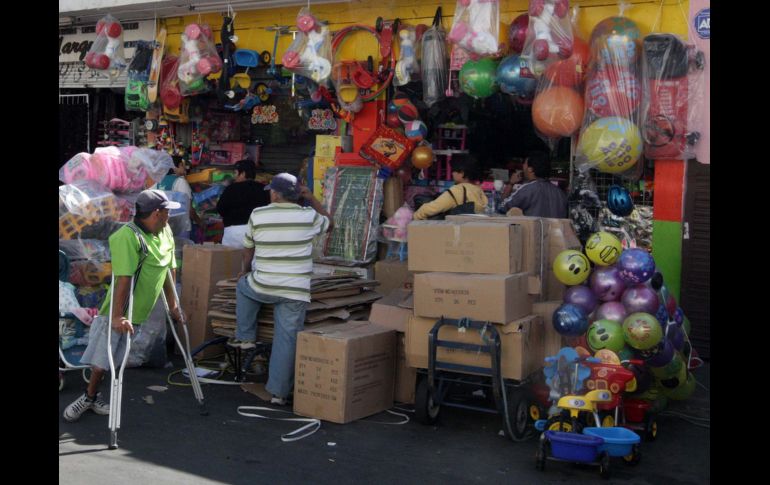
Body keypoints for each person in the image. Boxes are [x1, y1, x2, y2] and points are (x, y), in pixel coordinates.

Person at [63, 190, 185, 422]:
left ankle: (92, 397)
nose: (169, 217)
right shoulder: (126, 237)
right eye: (167, 212)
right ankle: (89, 397)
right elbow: (123, 278)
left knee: (117, 361)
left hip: (142, 310)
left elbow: (170, 268)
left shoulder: (165, 231)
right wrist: (118, 316)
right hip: (120, 311)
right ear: (156, 213)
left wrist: (174, 304)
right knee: (102, 362)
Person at [228, 173, 333, 405]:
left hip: (262, 285)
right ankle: (278, 394)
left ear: (275, 193)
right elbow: (330, 223)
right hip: (294, 291)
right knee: (286, 340)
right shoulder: (308, 216)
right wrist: (313, 198)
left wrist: (244, 270)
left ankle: (245, 337)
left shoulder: (258, 214)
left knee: (243, 285)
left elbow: (248, 250)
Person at [412, 154, 489, 220]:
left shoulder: (457, 190)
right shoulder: (479, 191)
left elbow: (433, 208)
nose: (452, 173)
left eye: (454, 170)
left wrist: (414, 217)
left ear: (462, 173)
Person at [216, 159, 270, 248]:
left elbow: (220, 209)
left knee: (231, 260)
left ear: (243, 173)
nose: (234, 176)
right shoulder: (264, 189)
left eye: (235, 173)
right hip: (257, 232)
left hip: (234, 233)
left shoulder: (231, 189)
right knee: (252, 260)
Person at [498, 151, 568, 218]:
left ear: (530, 169)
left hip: (533, 230)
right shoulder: (560, 193)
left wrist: (510, 184)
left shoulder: (528, 189)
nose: (523, 167)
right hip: (556, 230)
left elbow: (502, 207)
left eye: (524, 164)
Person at [152, 157, 200, 239]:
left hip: (162, 228)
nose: (185, 168)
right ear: (178, 166)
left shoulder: (157, 184)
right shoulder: (180, 182)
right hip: (181, 228)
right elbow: (189, 209)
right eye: (183, 165)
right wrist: (200, 222)